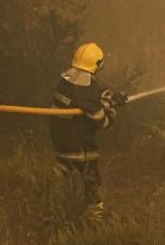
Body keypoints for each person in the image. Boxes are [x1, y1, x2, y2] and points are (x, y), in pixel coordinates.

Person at [49, 42, 127, 219]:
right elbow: (103, 121)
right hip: (82, 148)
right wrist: (112, 109)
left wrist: (108, 98)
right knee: (91, 182)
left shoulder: (65, 82)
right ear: (96, 64)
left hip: (62, 144)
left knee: (64, 179)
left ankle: (56, 212)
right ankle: (95, 219)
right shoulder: (87, 90)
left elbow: (90, 96)